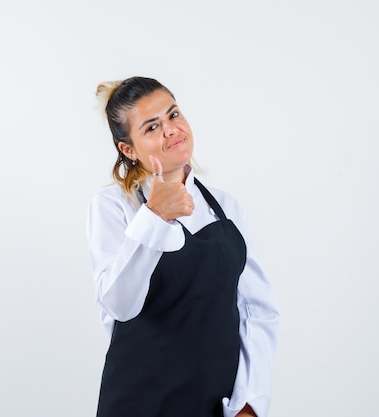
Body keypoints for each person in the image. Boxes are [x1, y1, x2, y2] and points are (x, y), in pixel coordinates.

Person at [86, 76, 280, 417]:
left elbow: (257, 309)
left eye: (173, 115)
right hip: (138, 405)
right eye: (151, 127)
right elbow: (119, 305)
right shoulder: (114, 208)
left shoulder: (225, 207)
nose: (171, 130)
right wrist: (154, 217)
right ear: (127, 149)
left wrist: (250, 402)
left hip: (214, 405)